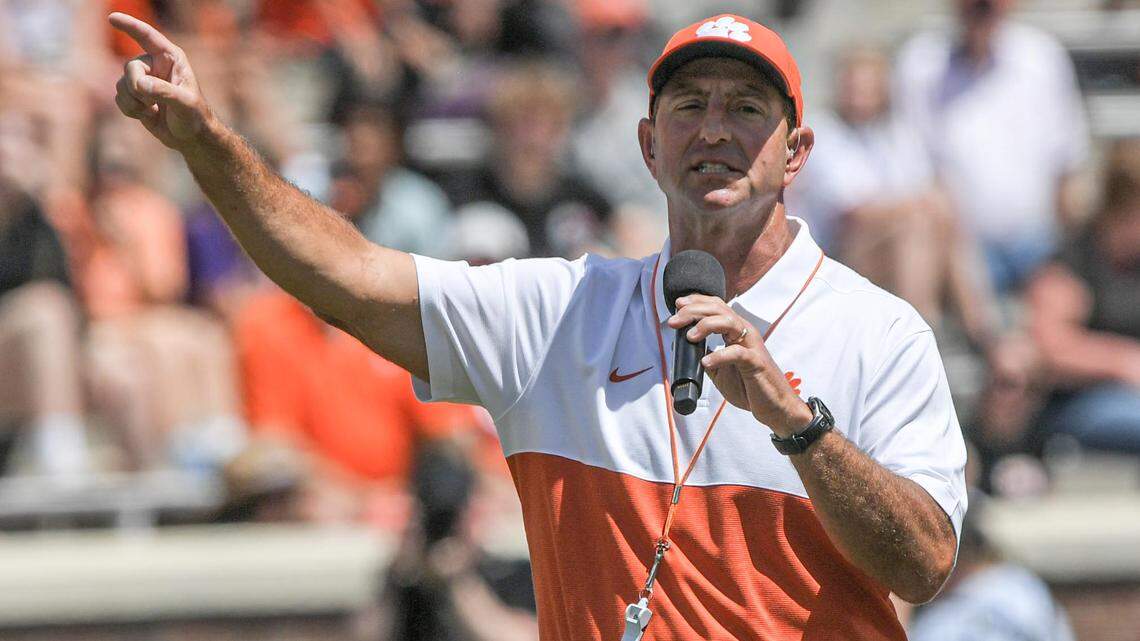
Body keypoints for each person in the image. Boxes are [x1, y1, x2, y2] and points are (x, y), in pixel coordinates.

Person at [109, 11, 966, 640]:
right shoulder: (560, 307)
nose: (714, 129)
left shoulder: (878, 331)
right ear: (647, 144)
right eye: (688, 105)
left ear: (797, 150)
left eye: (747, 108)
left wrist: (798, 425)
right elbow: (349, 278)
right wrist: (206, 141)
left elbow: (925, 565)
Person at [894, 0, 1089, 295]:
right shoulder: (922, 64)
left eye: (990, 5)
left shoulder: (1042, 57)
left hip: (1039, 243)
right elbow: (915, 164)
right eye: (976, 5)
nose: (983, 12)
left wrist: (1072, 256)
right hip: (960, 248)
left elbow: (1067, 163)